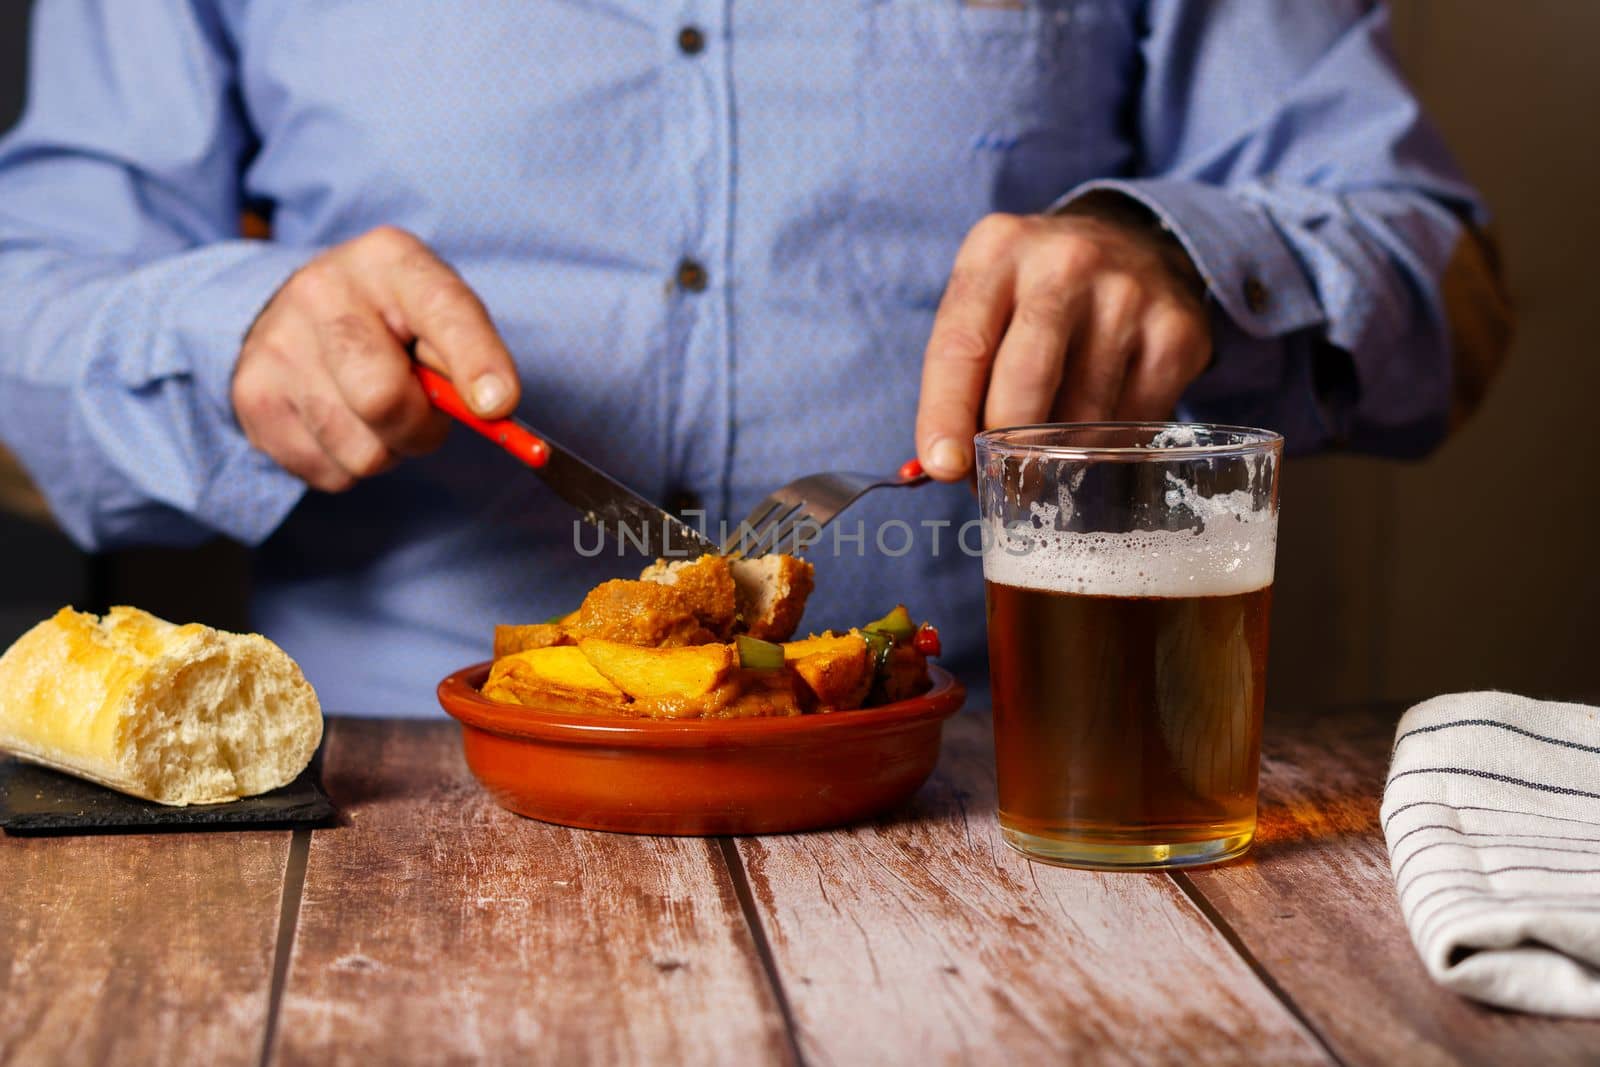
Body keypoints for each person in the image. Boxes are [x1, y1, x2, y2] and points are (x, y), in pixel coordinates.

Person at [0, 1, 1509, 714]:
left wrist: (1192, 262)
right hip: (381, 809)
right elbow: (31, 301)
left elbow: (1457, 299)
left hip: (1001, 793)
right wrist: (227, 329)